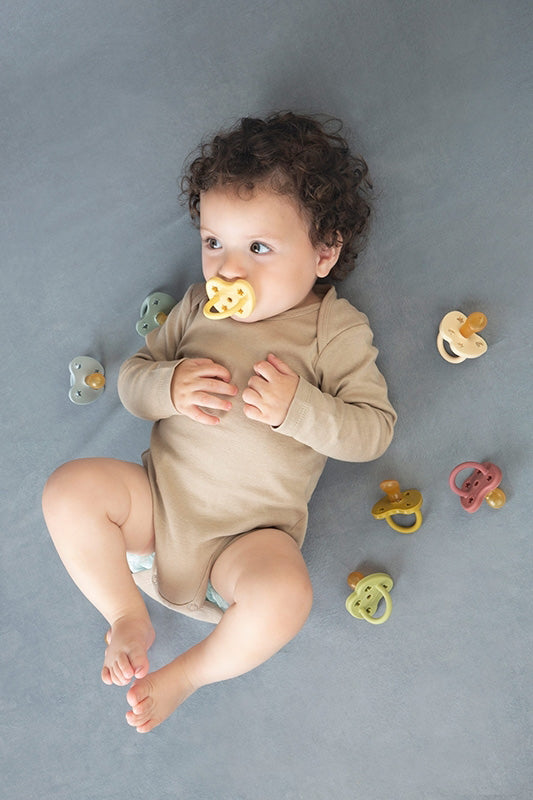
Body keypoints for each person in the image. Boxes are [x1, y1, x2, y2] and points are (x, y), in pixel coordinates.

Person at [42, 112, 396, 733]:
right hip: (154, 516)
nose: (229, 269)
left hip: (244, 546)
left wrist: (299, 410)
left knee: (287, 596)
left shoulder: (333, 329)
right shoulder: (199, 308)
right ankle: (125, 613)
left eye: (258, 247)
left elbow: (373, 431)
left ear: (324, 251)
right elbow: (132, 381)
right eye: (214, 243)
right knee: (69, 488)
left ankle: (189, 673)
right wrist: (168, 386)